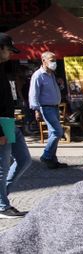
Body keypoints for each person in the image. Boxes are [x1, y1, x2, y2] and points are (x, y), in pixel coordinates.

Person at [0, 32, 31, 218]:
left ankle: (1, 196)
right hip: (2, 124)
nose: (11, 53)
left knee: (24, 160)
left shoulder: (4, 68)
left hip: (10, 122)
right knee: (2, 167)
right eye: (8, 49)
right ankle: (2, 206)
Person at [28, 51, 67, 169]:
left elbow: (53, 91)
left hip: (54, 107)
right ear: (43, 61)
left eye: (55, 60)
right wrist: (36, 110)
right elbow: (33, 94)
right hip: (45, 108)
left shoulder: (51, 75)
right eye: (52, 60)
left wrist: (61, 85)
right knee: (57, 132)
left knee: (52, 134)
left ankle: (52, 160)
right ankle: (46, 156)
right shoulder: (38, 75)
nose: (54, 63)